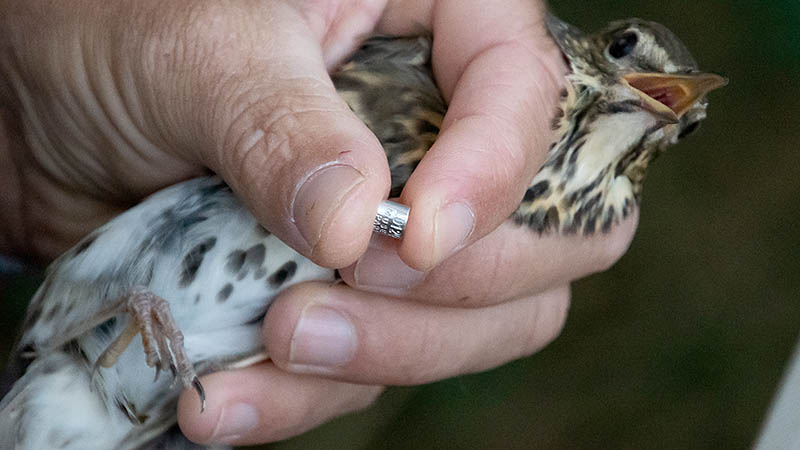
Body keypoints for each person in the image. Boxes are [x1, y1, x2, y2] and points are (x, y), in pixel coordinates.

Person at [0, 0, 637, 446]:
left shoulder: (537, 192)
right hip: (89, 336)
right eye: (625, 49)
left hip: (138, 415)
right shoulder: (434, 76)